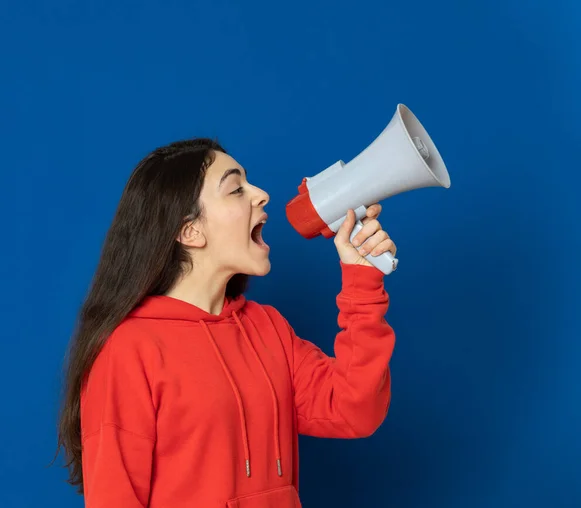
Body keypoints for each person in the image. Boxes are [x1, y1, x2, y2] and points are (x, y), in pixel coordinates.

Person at [56, 138, 397, 508]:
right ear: (189, 231)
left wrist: (362, 281)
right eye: (236, 189)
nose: (261, 194)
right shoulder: (128, 350)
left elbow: (355, 410)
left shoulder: (268, 328)